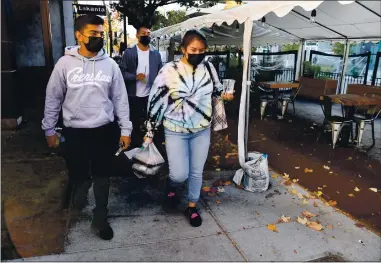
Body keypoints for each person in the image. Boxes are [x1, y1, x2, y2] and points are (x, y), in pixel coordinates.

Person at [41, 14, 132, 240]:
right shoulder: (65, 64)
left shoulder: (110, 65)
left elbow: (120, 99)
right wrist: (49, 129)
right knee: (79, 178)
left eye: (101, 34)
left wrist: (126, 130)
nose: (98, 38)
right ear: (79, 35)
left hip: (103, 130)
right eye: (93, 34)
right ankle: (77, 191)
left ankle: (100, 218)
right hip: (75, 132)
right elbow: (53, 97)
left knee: (103, 177)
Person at [143, 30, 233, 227]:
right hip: (175, 129)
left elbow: (216, 89)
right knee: (179, 174)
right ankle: (172, 184)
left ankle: (192, 206)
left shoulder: (208, 67)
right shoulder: (169, 70)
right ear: (184, 49)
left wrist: (224, 95)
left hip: (202, 128)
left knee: (196, 172)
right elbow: (156, 101)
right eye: (193, 49)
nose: (198, 54)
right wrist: (150, 130)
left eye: (202, 50)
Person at [119, 24, 162, 148]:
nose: (146, 36)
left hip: (150, 95)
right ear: (137, 35)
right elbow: (121, 72)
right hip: (133, 95)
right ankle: (136, 149)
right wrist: (134, 77)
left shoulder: (155, 54)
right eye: (143, 33)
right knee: (135, 123)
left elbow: (161, 73)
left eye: (148, 34)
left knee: (151, 124)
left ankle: (150, 148)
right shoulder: (129, 53)